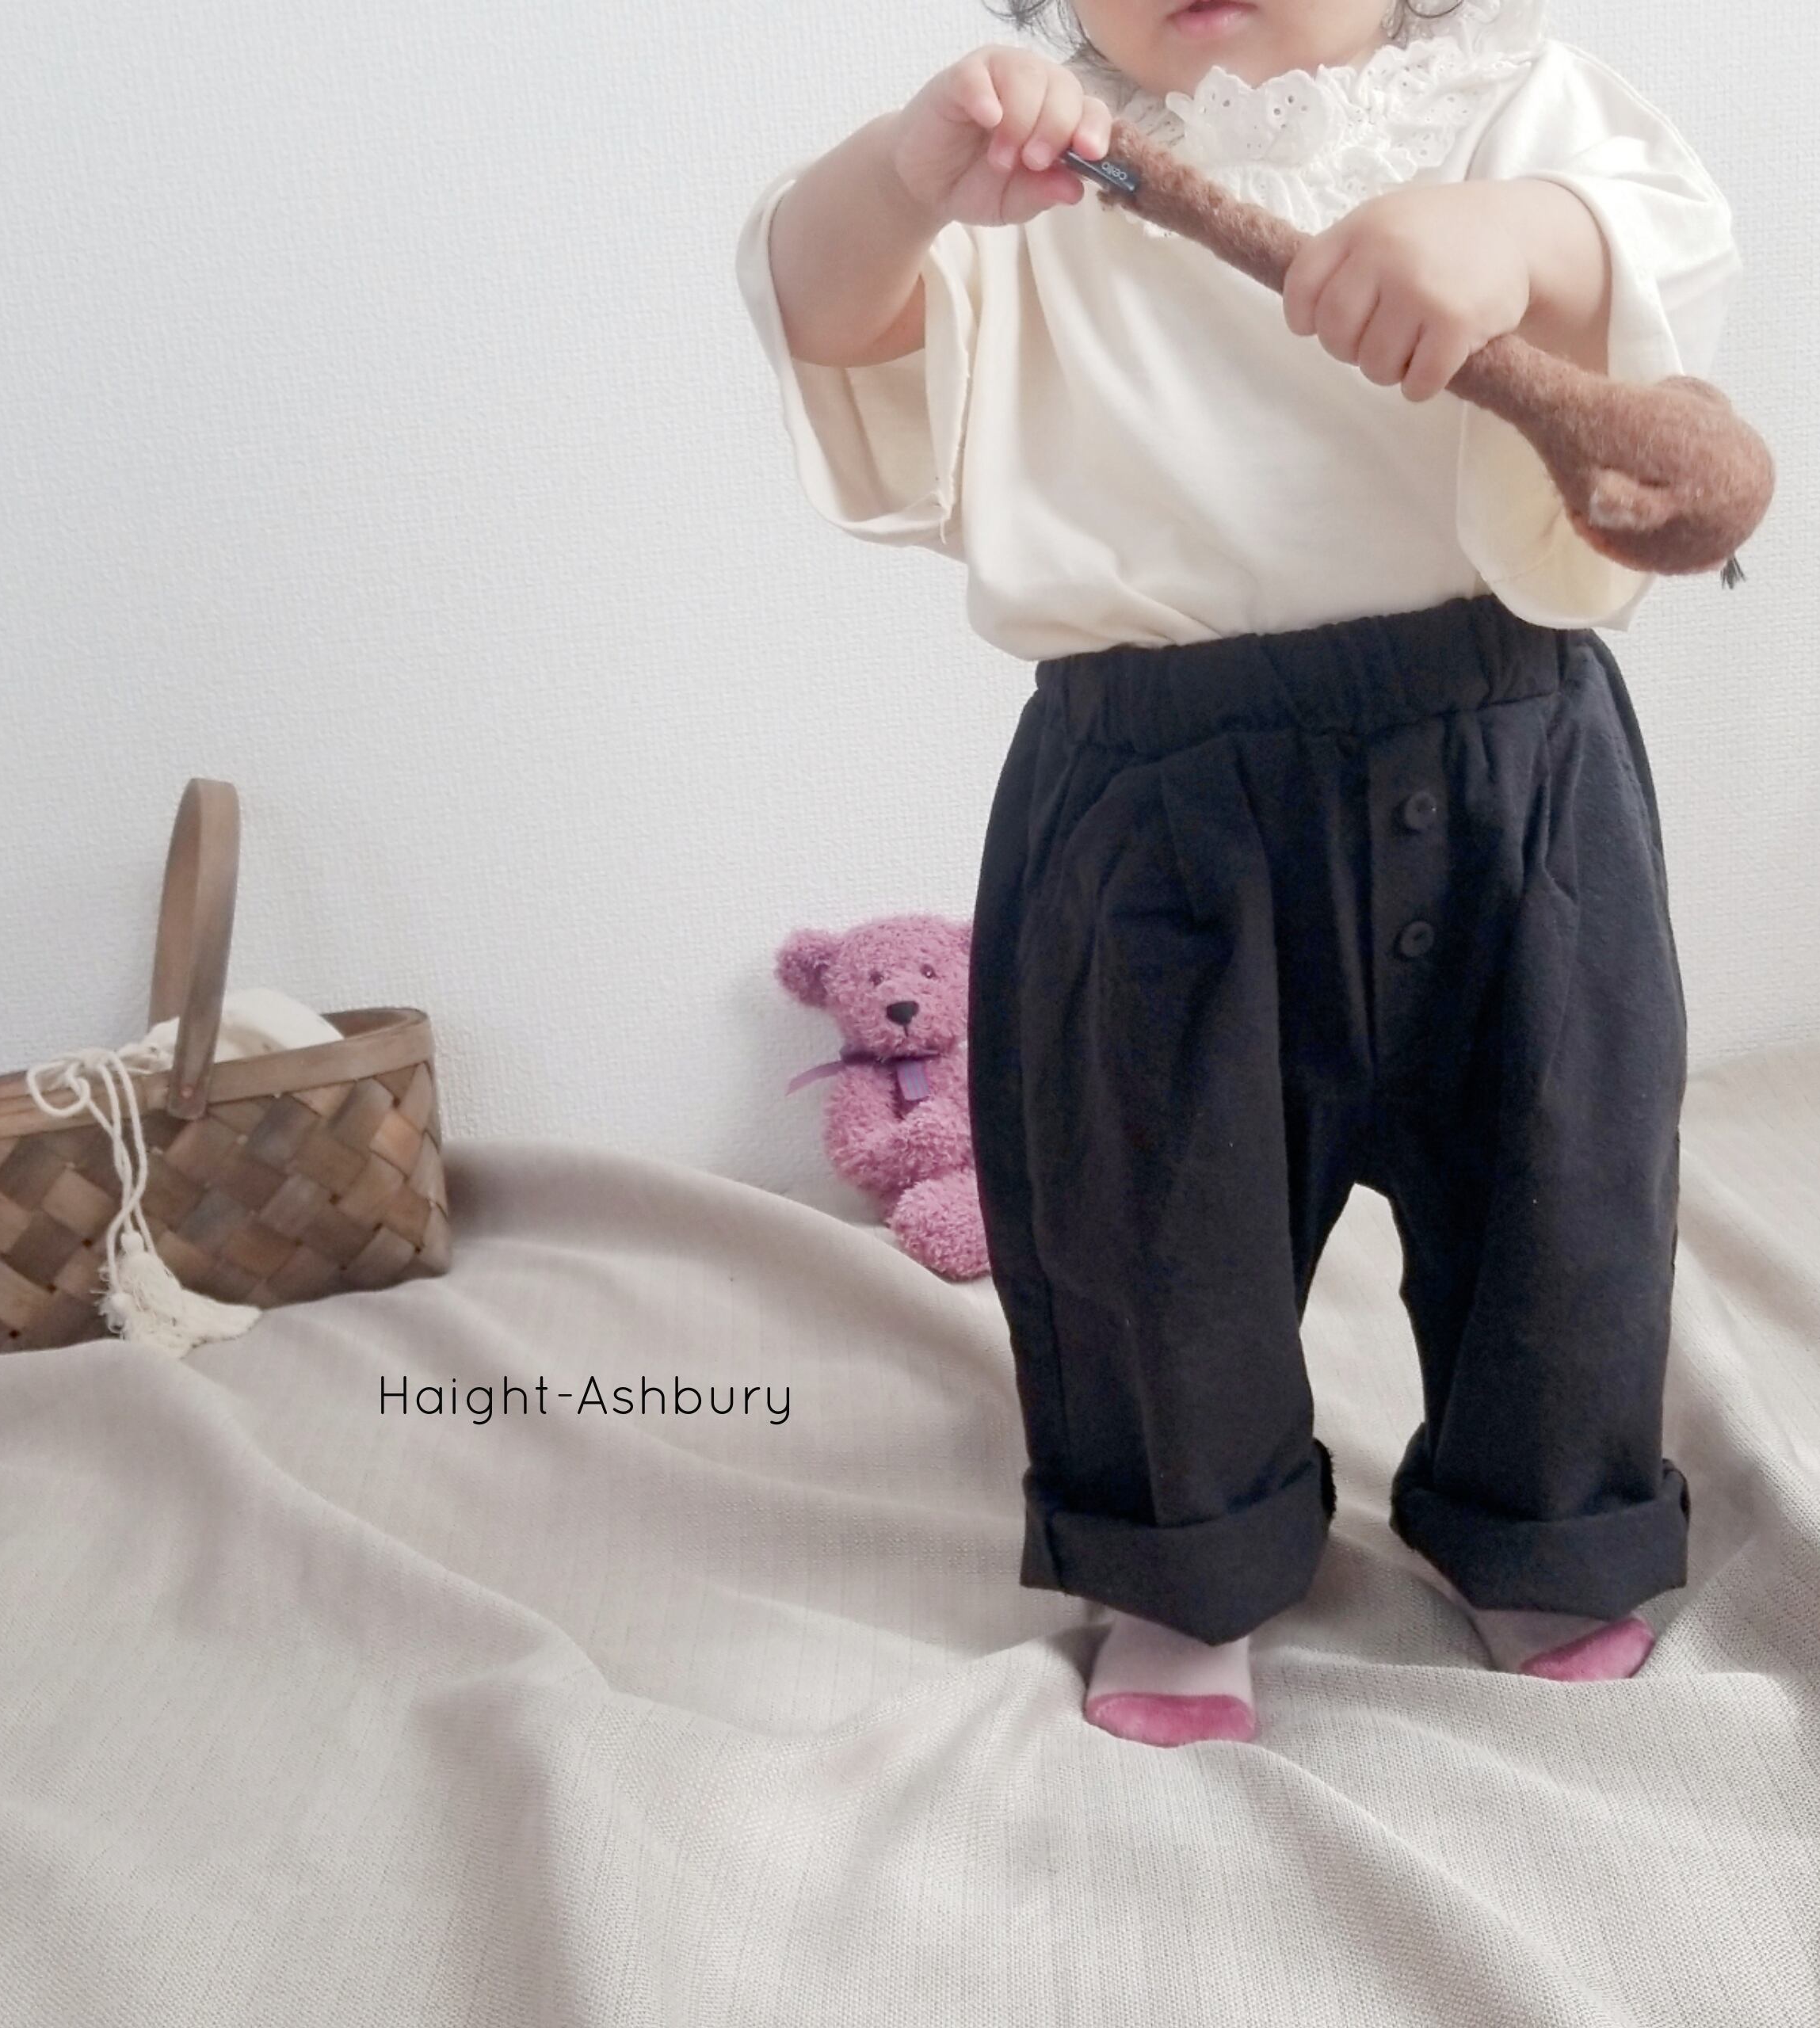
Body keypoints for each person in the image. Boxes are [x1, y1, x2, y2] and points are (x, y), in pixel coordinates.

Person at [734, 0, 1737, 1745]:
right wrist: (901, 180)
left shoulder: (1515, 102)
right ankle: (1179, 1554)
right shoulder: (1036, 157)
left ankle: (1547, 1521)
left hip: (1506, 753)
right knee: (1141, 1214)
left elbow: (1660, 247)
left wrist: (1515, 236)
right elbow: (817, 304)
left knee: (1564, 1182)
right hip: (1153, 794)